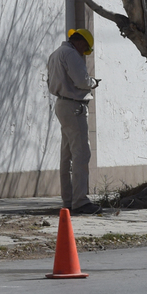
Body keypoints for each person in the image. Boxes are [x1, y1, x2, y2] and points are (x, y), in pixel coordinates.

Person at [47, 27, 100, 213]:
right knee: (81, 154)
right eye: (84, 48)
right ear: (80, 42)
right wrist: (93, 82)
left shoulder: (56, 54)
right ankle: (81, 201)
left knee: (67, 155)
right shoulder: (71, 55)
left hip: (62, 104)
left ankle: (68, 200)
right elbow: (82, 81)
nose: (83, 52)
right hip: (74, 106)